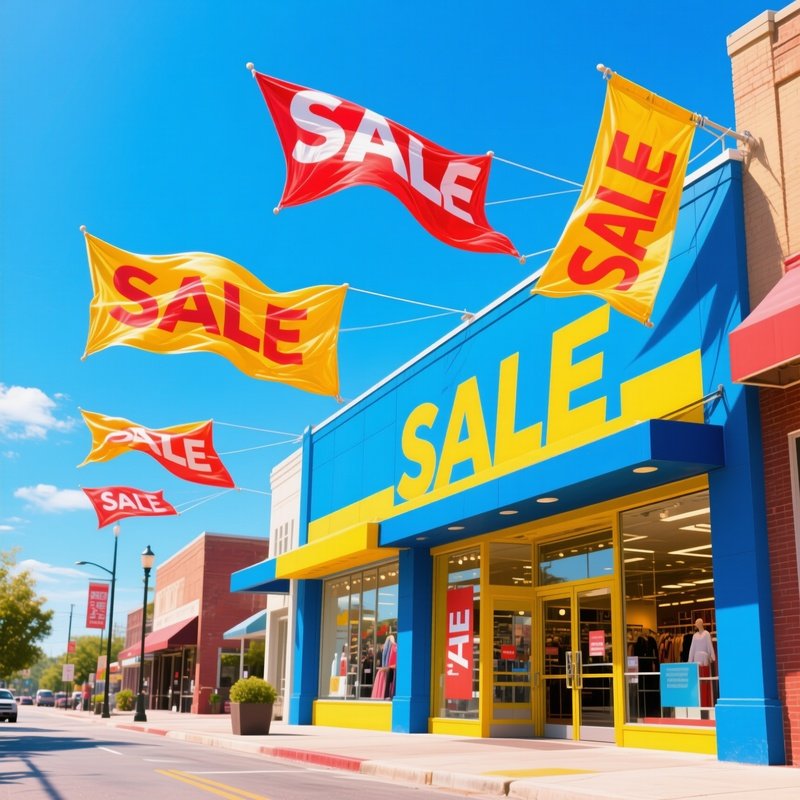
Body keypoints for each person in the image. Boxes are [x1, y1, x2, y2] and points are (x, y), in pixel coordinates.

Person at [688, 618, 716, 708]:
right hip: (697, 659)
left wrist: (712, 656)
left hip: (704, 658)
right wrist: (690, 660)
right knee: (698, 681)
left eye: (696, 623)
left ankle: (707, 700)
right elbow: (692, 648)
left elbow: (709, 645)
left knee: (705, 680)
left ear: (700, 623)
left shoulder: (706, 634)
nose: (695, 624)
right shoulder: (695, 635)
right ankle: (700, 701)